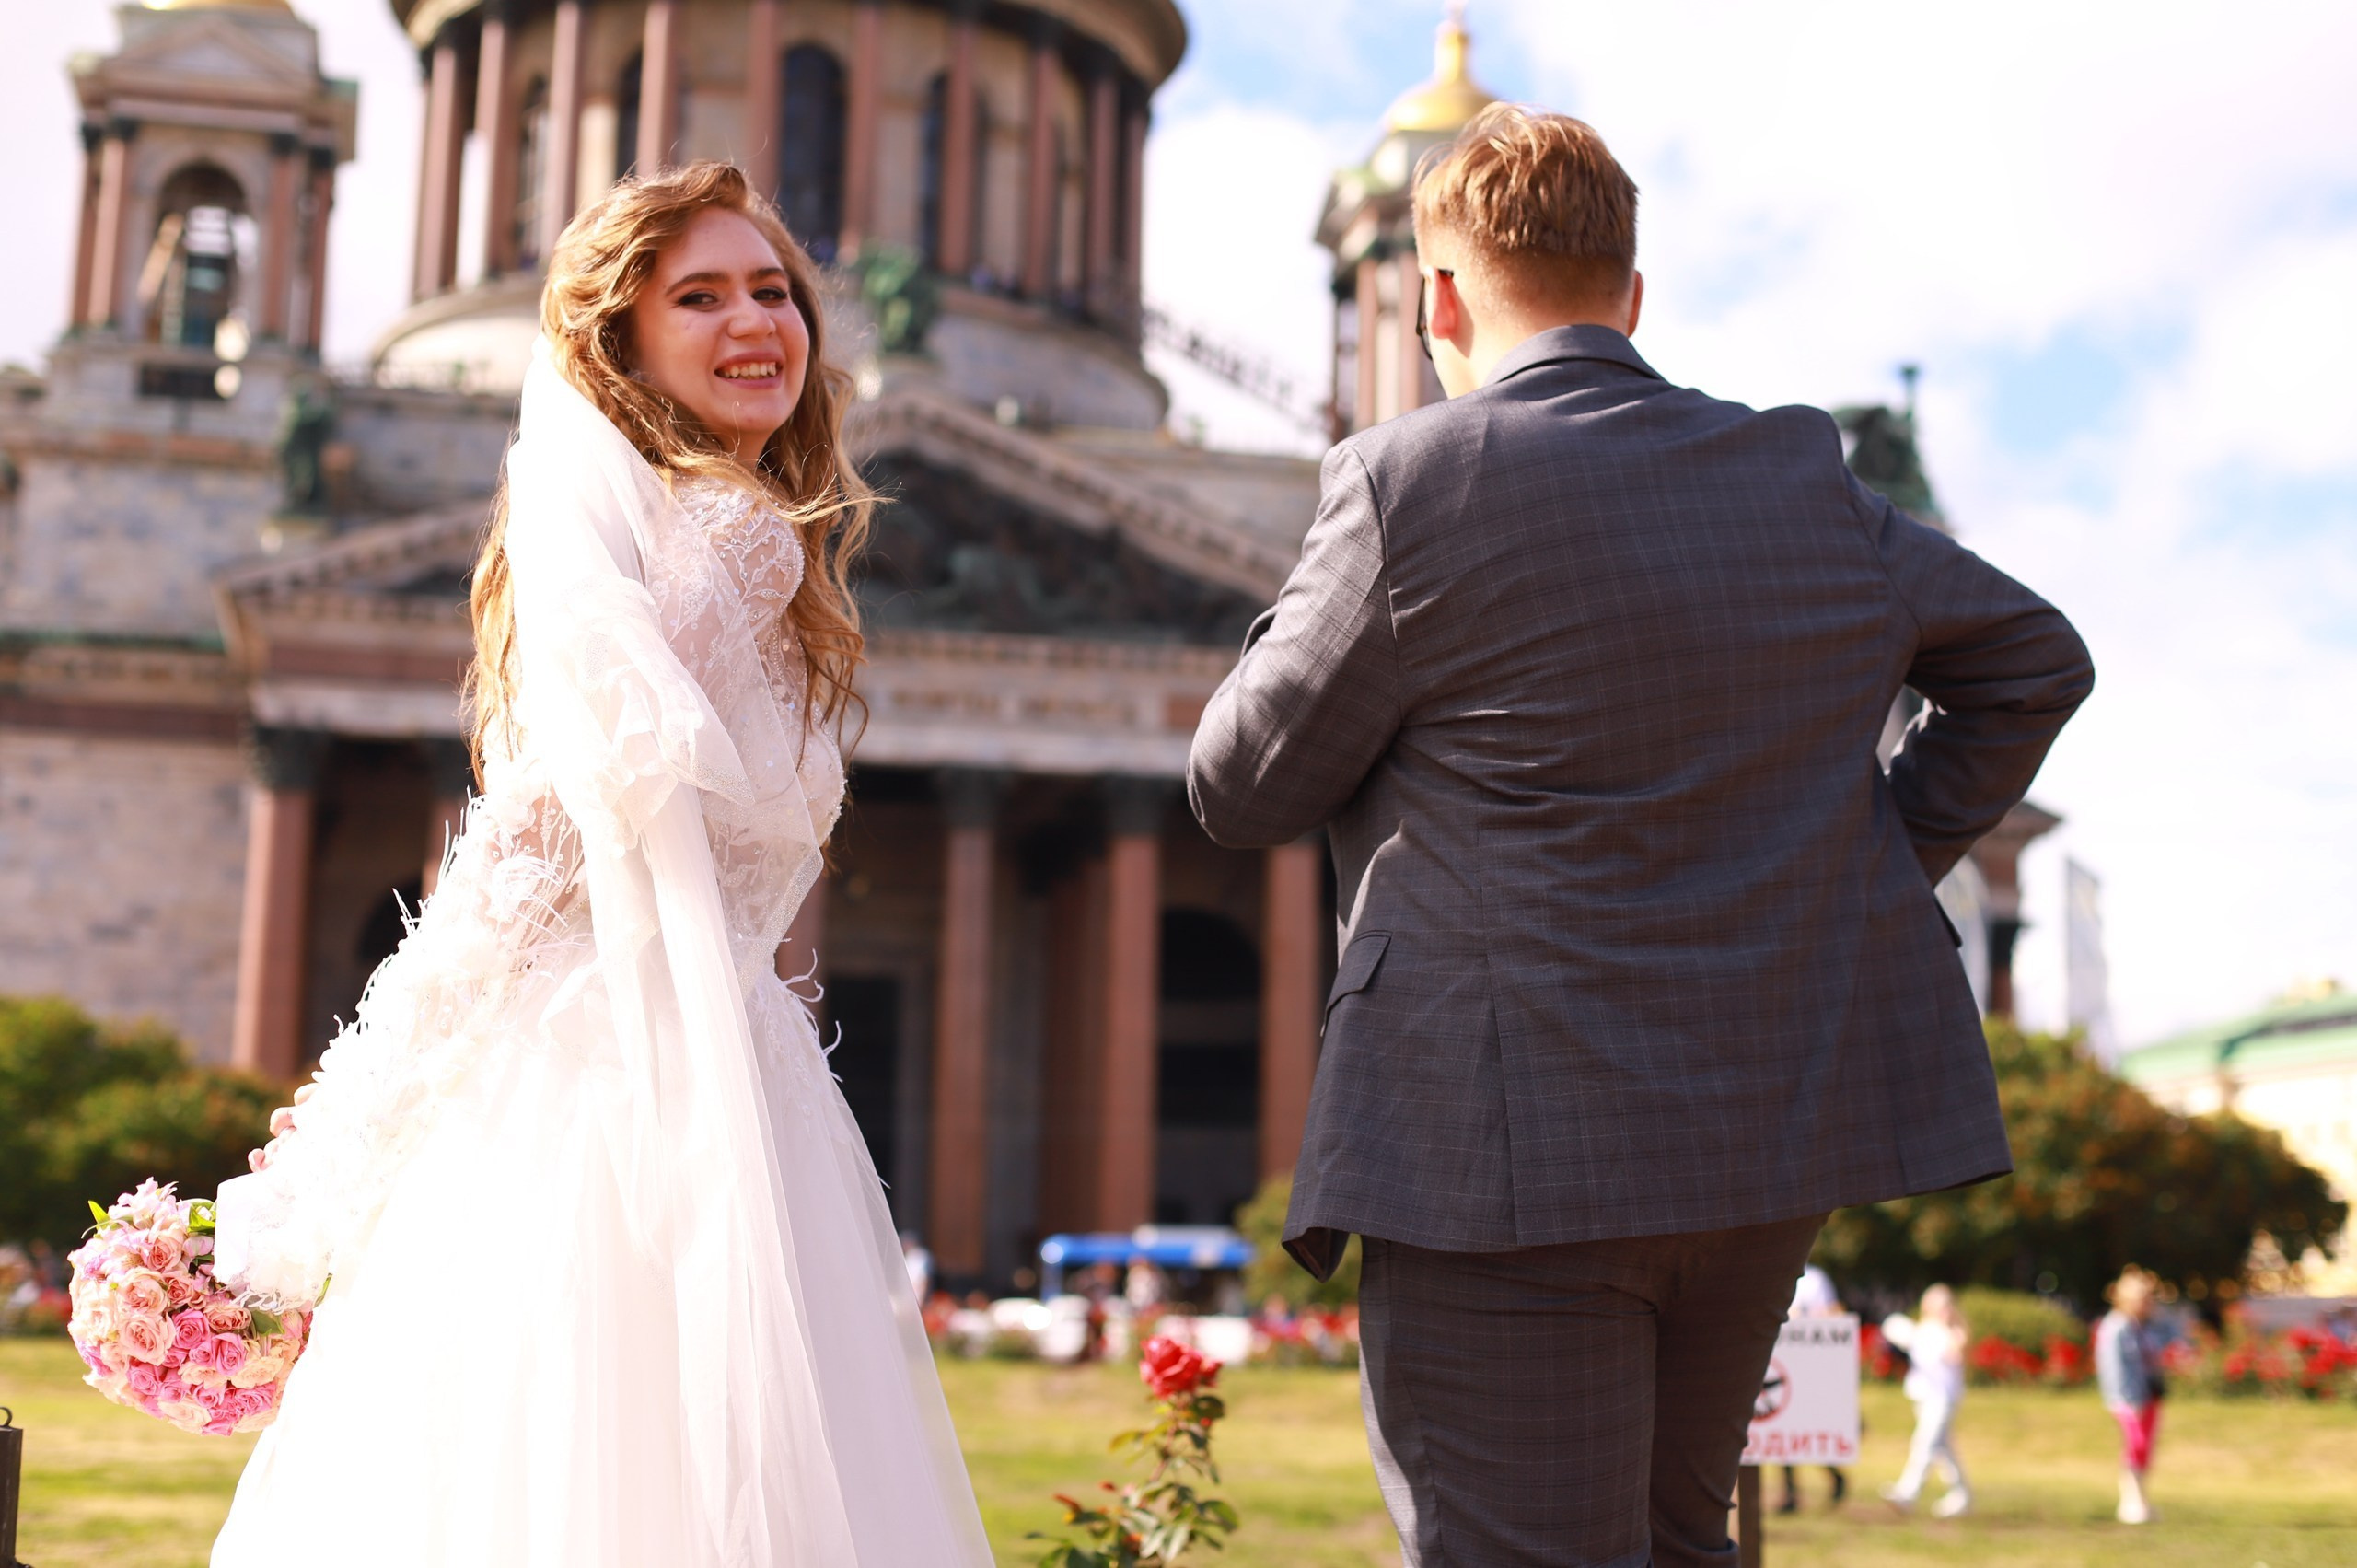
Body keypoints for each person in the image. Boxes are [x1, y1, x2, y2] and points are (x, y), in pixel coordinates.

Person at [1186, 101, 2093, 1567]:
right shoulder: (1801, 475)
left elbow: (1241, 783)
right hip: (1756, 1140)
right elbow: (2035, 659)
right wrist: (1860, 864)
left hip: (1495, 1154)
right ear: (1632, 296)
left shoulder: (1405, 481)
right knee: (1680, 1539)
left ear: (1436, 299)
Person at [206, 164, 992, 1567]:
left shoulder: (712, 534)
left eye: (775, 290)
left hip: (606, 1083)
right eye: (699, 295)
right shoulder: (740, 536)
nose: (759, 321)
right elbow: (531, 858)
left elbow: (518, 864)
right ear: (615, 345)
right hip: (657, 1092)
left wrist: (327, 1168)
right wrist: (320, 1165)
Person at [1880, 1284, 1971, 1518]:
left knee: (1925, 1444)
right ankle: (1962, 1495)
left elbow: (1954, 1353)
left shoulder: (1953, 1333)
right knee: (1944, 1450)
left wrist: (1942, 1336)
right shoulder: (1923, 1331)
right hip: (1924, 1398)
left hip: (1943, 1400)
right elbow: (1896, 1331)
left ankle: (1907, 1493)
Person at [2096, 1267, 2166, 1524]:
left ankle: (2140, 1500)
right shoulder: (2115, 1327)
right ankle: (2130, 1501)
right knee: (2134, 1446)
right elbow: (2113, 1367)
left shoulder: (2144, 1327)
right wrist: (2126, 1398)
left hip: (2149, 1395)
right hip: (2130, 1398)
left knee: (2145, 1449)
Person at [1779, 1265, 1849, 1513]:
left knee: (1810, 1428)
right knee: (1781, 1431)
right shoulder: (1776, 1272)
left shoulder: (1816, 1278)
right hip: (1784, 1361)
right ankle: (1789, 1492)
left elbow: (1831, 1311)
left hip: (1809, 1364)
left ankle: (1834, 1474)